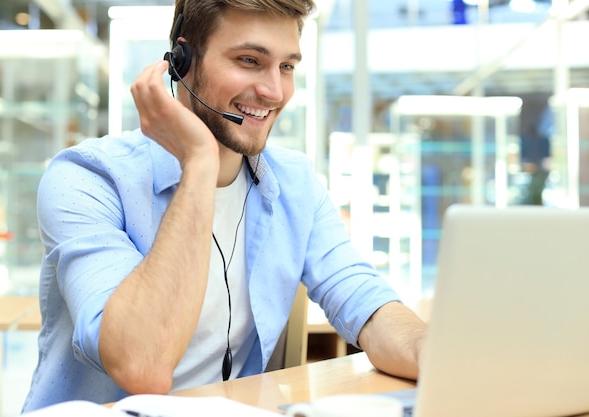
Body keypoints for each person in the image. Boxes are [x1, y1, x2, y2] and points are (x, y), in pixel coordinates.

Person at [22, 0, 426, 411]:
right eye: (250, 60)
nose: (274, 91)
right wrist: (199, 162)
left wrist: (435, 355)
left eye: (287, 67)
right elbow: (141, 365)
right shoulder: (87, 177)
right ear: (183, 60)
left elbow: (366, 302)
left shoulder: (295, 185)